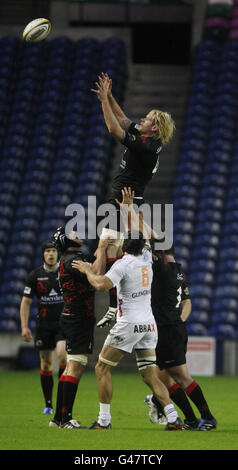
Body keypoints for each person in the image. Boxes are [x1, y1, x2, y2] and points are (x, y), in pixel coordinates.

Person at [72, 229, 183, 431]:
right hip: (149, 325)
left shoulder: (122, 265)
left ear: (124, 246)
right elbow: (148, 237)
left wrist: (87, 269)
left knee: (101, 368)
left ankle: (103, 421)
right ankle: (173, 418)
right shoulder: (148, 256)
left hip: (129, 324)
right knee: (150, 375)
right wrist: (130, 208)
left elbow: (101, 285)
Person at [92, 73, 176, 326]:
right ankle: (115, 305)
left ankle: (115, 307)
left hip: (123, 201)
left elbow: (113, 128)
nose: (142, 119)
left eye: (147, 119)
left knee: (110, 251)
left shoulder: (148, 147)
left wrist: (103, 102)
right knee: (113, 251)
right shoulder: (145, 139)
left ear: (154, 128)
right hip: (125, 201)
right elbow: (123, 118)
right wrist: (108, 96)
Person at [145, 244, 217, 431]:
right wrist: (181, 320)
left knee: (181, 377)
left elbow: (144, 247)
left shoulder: (163, 269)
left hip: (168, 328)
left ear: (160, 254)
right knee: (163, 377)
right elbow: (187, 302)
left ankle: (208, 417)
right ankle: (190, 420)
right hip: (170, 327)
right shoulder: (178, 273)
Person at [48, 226, 113, 429]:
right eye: (72, 233)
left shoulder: (68, 259)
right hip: (78, 319)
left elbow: (93, 267)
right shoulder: (73, 260)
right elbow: (98, 274)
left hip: (72, 317)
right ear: (66, 240)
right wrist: (102, 246)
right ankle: (66, 419)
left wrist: (100, 249)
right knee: (76, 367)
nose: (77, 234)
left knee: (70, 367)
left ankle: (58, 417)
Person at [20, 240, 66, 415]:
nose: (51, 254)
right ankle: (48, 404)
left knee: (62, 356)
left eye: (54, 250)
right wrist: (24, 326)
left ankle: (62, 400)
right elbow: (25, 302)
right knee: (46, 364)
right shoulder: (35, 275)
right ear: (43, 254)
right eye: (48, 251)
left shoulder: (64, 273)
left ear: (57, 253)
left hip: (62, 324)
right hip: (44, 326)